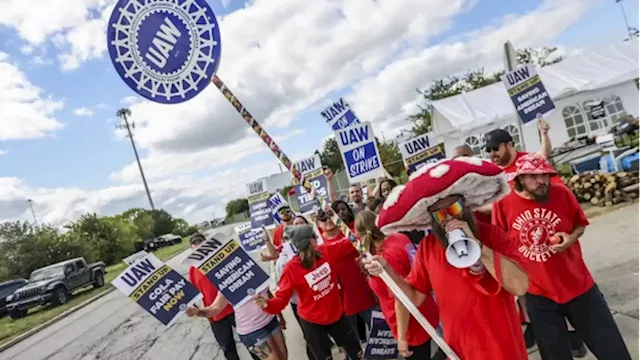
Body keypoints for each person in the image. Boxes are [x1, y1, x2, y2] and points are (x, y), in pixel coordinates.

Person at [364, 157, 530, 360]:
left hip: (504, 349)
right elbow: (414, 297)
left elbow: (520, 286)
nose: (450, 219)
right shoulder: (428, 248)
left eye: (454, 208)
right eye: (440, 215)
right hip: (459, 350)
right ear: (432, 220)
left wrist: (478, 246)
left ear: (466, 207)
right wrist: (387, 271)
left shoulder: (492, 235)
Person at [492, 153, 631, 360]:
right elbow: (501, 247)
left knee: (612, 350)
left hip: (579, 286)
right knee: (555, 355)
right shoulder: (503, 205)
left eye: (545, 175)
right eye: (534, 176)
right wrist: (521, 295)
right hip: (539, 294)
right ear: (520, 178)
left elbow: (580, 225)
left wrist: (570, 238)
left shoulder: (561, 193)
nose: (542, 181)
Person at [483, 119, 581, 353]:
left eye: (495, 148)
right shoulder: (494, 174)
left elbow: (543, 156)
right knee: (530, 294)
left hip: (548, 240)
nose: (491, 154)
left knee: (563, 290)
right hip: (519, 246)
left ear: (508, 145)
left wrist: (544, 134)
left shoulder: (528, 164)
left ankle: (575, 334)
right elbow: (500, 208)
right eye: (487, 150)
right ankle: (539, 330)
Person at [254, 225, 363, 360]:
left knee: (356, 354)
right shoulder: (290, 269)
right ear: (309, 241)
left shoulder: (326, 251)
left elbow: (348, 243)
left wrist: (362, 230)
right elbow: (281, 300)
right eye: (314, 236)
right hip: (312, 322)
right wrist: (266, 305)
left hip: (336, 315)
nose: (317, 238)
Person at [355, 210, 443, 360]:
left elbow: (401, 298)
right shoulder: (399, 237)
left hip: (411, 322)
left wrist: (402, 337)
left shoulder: (384, 259)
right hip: (425, 306)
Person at [186, 233, 261, 360]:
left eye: (201, 242)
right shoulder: (193, 270)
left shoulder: (220, 260)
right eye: (195, 244)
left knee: (251, 340)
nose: (199, 246)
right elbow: (191, 293)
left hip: (234, 308)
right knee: (227, 347)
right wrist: (193, 308)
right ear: (191, 248)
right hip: (215, 315)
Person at [317, 207, 376, 345]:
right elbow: (336, 250)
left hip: (366, 292)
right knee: (352, 341)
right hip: (341, 301)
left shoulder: (350, 233)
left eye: (330, 216)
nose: (328, 220)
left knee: (379, 335)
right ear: (318, 223)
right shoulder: (318, 244)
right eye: (323, 218)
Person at [274, 215, 325, 360]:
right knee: (312, 338)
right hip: (301, 303)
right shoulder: (285, 263)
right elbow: (282, 291)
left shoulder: (318, 252)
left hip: (321, 299)